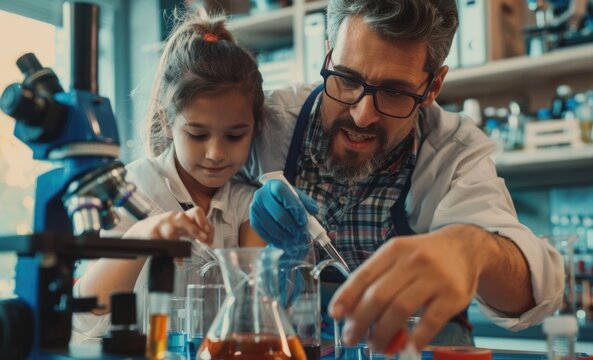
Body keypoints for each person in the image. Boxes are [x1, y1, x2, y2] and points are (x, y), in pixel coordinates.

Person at [245, 0, 564, 354]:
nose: (363, 115)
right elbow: (179, 175)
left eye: (394, 92)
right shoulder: (265, 124)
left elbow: (536, 297)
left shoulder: (452, 152)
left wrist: (476, 250)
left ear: (432, 87)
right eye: (348, 79)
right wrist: (242, 203)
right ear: (329, 55)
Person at [72, 9, 265, 343]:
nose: (216, 153)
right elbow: (81, 324)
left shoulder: (248, 203)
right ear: (166, 120)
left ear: (254, 128)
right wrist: (142, 236)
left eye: (235, 136)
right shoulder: (126, 190)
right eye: (197, 134)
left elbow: (256, 317)